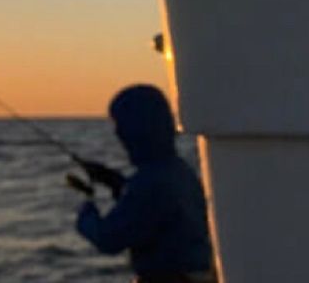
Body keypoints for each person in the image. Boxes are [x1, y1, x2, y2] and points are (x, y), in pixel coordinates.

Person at [74, 84, 217, 283]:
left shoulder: (150, 183)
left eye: (121, 126)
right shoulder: (179, 171)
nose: (118, 134)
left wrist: (86, 210)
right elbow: (151, 212)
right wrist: (117, 182)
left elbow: (108, 238)